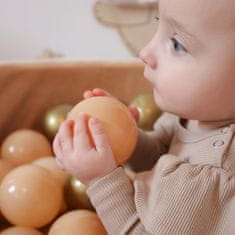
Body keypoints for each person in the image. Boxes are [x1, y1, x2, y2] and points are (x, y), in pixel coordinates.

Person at [53, 0, 235, 234]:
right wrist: (125, 134)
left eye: (177, 44)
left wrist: (101, 180)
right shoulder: (199, 116)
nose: (145, 52)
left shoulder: (206, 179)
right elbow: (162, 155)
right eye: (158, 24)